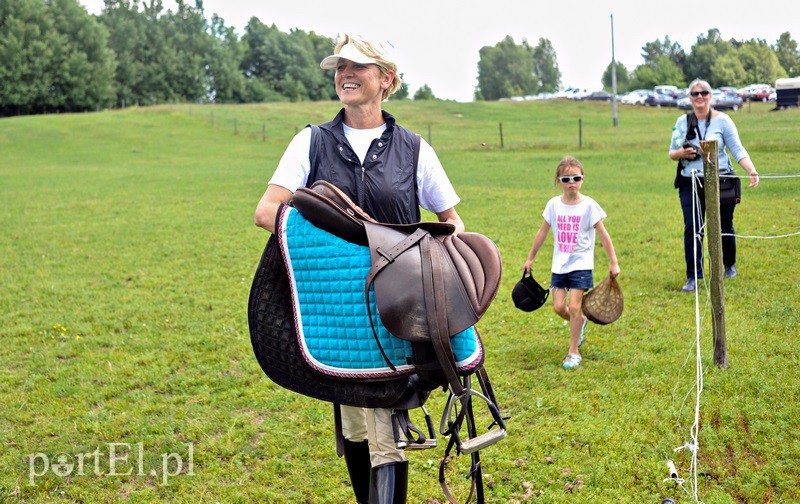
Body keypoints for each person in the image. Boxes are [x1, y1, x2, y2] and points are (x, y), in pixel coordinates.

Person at [253, 34, 464, 504]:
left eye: (357, 67)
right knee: (354, 424)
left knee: (385, 429)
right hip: (336, 309)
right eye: (339, 67)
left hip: (394, 305)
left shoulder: (414, 149)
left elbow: (452, 222)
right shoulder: (312, 142)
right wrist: (344, 253)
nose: (345, 74)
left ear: (386, 80)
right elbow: (267, 212)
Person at [522, 156, 620, 370]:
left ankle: (573, 352)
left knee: (574, 306)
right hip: (559, 265)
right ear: (559, 181)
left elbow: (603, 235)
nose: (572, 182)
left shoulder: (589, 206)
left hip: (581, 265)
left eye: (576, 178)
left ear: (583, 179)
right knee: (559, 307)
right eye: (566, 179)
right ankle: (580, 322)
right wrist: (530, 258)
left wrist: (613, 262)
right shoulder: (553, 205)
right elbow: (542, 232)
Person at [668, 79, 759, 293]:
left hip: (721, 180)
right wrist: (682, 153)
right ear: (690, 97)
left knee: (724, 225)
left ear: (711, 96)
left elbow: (737, 149)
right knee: (693, 228)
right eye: (695, 93)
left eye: (704, 92)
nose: (699, 96)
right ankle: (693, 276)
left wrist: (751, 170)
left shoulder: (723, 120)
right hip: (690, 181)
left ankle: (729, 265)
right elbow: (672, 152)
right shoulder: (682, 121)